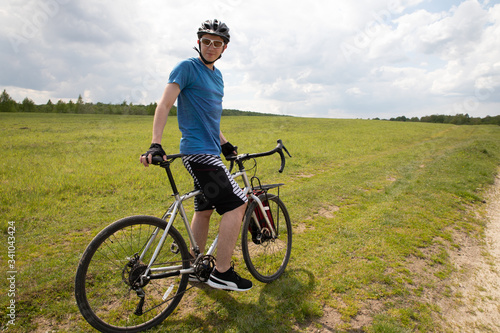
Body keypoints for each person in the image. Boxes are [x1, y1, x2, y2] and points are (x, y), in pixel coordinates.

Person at [140, 19, 252, 291]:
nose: (211, 47)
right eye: (206, 41)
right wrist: (156, 143)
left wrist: (225, 143)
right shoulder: (187, 68)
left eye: (217, 43)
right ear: (198, 42)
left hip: (211, 150)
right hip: (200, 155)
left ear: (225, 47)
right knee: (238, 205)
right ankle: (222, 272)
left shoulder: (218, 75)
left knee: (204, 210)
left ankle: (191, 266)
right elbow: (165, 103)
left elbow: (209, 117)